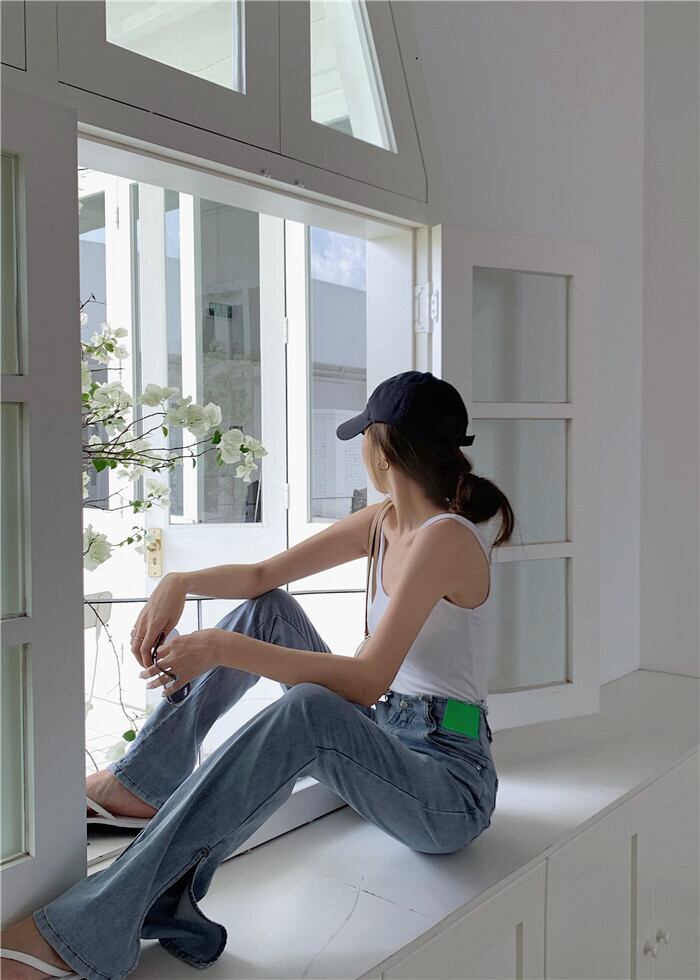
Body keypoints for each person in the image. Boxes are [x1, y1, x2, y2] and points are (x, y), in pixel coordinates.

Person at [1, 370, 515, 980]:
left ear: (383, 448)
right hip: (388, 735)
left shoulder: (445, 539)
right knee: (271, 611)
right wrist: (179, 582)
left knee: (309, 711)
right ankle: (142, 783)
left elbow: (367, 680)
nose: (359, 449)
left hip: (449, 787)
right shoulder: (383, 522)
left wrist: (221, 648)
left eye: (362, 437)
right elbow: (261, 577)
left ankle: (91, 933)